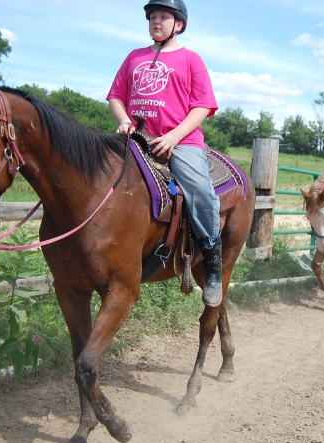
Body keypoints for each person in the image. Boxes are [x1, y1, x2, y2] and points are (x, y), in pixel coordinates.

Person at [106, 0, 224, 307]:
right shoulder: (135, 56)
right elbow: (116, 97)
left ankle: (212, 265)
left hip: (181, 141)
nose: (156, 21)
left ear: (179, 25)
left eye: (164, 17)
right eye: (152, 17)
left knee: (200, 191)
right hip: (137, 139)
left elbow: (202, 106)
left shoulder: (190, 59)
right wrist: (124, 121)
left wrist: (173, 137)